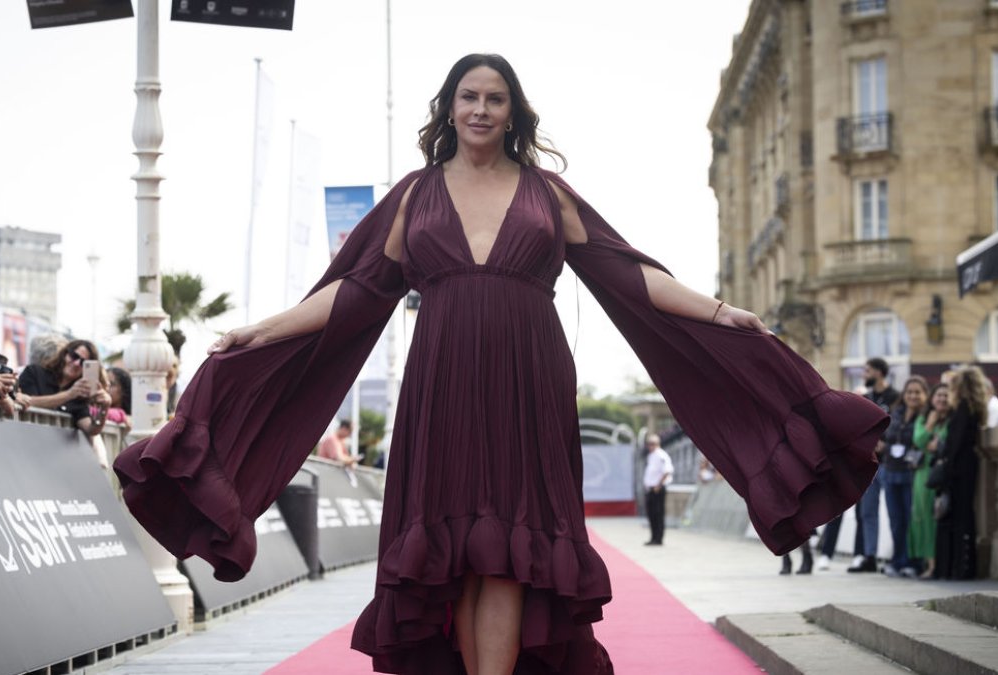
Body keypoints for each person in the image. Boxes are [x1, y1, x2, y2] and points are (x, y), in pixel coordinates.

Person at [114, 53, 887, 675]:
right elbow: (353, 295)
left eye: (495, 97)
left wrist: (719, 311)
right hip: (442, 385)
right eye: (468, 96)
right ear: (448, 108)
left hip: (530, 384)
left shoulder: (548, 195)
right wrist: (265, 327)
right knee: (456, 545)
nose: (481, 109)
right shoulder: (414, 197)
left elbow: (629, 276)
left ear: (513, 112)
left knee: (511, 548)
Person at [846, 356, 900, 574]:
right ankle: (870, 555)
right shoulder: (866, 397)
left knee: (895, 512)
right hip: (869, 463)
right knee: (868, 512)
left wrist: (884, 442)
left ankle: (898, 556)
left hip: (890, 462)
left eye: (867, 371)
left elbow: (898, 423)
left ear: (879, 372)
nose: (864, 375)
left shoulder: (895, 397)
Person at [932, 366, 987, 580]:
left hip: (959, 469)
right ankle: (963, 566)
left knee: (960, 517)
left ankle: (961, 567)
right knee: (965, 516)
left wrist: (946, 465)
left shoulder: (963, 409)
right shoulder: (973, 408)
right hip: (966, 466)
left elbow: (955, 443)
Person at [879, 376, 928, 578]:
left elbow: (920, 443)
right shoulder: (896, 414)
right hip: (891, 472)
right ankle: (897, 561)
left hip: (912, 473)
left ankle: (913, 562)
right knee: (895, 521)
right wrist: (885, 447)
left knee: (911, 520)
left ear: (925, 395)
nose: (913, 396)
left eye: (917, 392)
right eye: (909, 392)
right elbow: (886, 438)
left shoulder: (925, 417)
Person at [19, 339, 111, 435]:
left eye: (83, 363)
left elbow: (91, 429)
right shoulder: (34, 372)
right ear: (65, 354)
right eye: (74, 356)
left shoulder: (80, 395)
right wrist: (69, 394)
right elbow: (27, 401)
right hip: (23, 437)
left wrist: (105, 408)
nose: (76, 363)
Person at [910, 382, 948, 579]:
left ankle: (940, 563)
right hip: (924, 474)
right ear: (932, 399)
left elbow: (942, 444)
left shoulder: (951, 420)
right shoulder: (924, 418)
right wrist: (930, 424)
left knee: (939, 519)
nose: (942, 399)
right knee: (923, 518)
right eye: (938, 395)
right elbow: (919, 440)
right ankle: (930, 564)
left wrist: (934, 444)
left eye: (946, 395)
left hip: (943, 474)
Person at [641, 434, 672, 546]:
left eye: (652, 444)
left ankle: (658, 538)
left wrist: (659, 485)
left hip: (657, 489)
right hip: (650, 489)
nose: (650, 446)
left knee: (658, 514)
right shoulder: (651, 456)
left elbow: (667, 471)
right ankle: (653, 537)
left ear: (657, 444)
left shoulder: (661, 455)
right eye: (649, 444)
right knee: (651, 514)